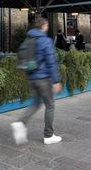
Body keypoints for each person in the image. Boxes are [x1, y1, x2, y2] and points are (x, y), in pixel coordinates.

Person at [11, 17, 62, 145]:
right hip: (43, 78)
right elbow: (51, 62)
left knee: (35, 104)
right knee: (50, 105)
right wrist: (56, 81)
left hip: (31, 77)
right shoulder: (45, 40)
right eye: (47, 25)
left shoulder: (29, 39)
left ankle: (20, 122)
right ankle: (48, 135)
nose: (48, 27)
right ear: (43, 26)